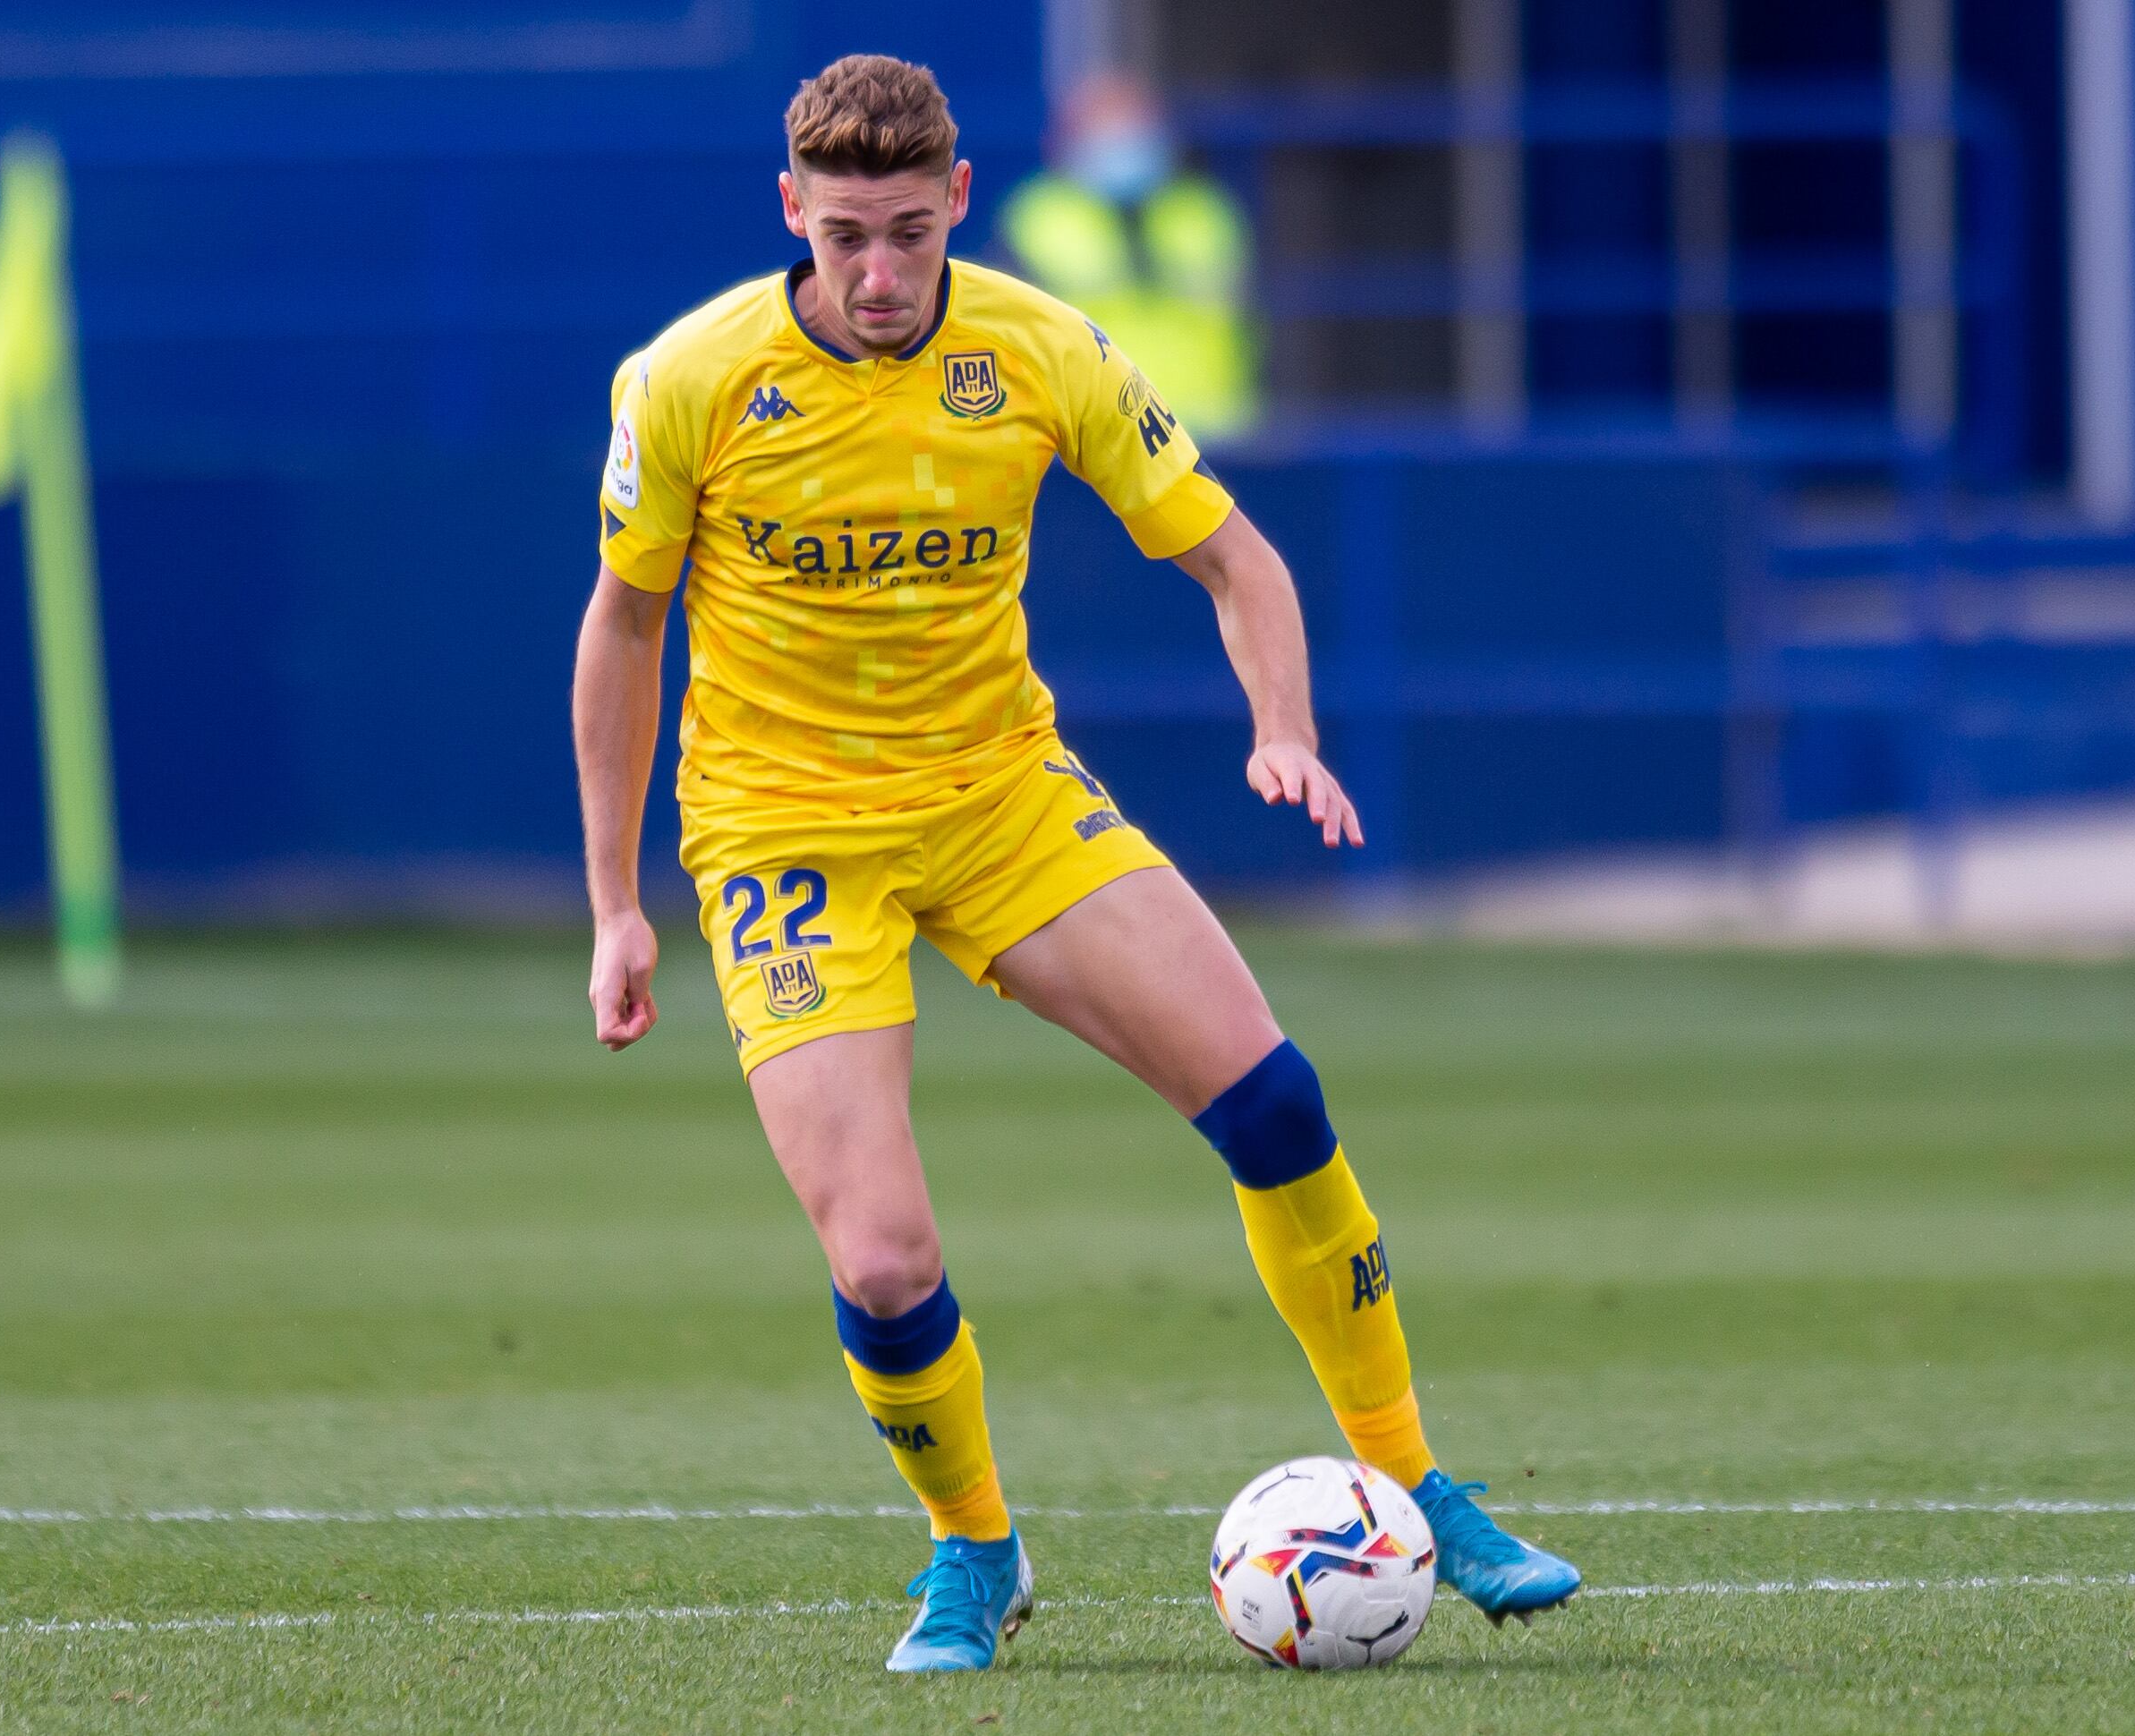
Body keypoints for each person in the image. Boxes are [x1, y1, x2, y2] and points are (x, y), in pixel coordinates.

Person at [571, 54, 1578, 1674]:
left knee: (1276, 1102)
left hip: (1002, 794)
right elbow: (624, 626)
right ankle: (976, 1552)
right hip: (780, 833)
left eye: (909, 230)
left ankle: (1413, 1478)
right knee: (884, 1257)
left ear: (960, 198)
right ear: (791, 215)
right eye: (845, 238)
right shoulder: (690, 379)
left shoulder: (1040, 350)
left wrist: (1285, 728)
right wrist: (620, 904)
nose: (881, 273)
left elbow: (1234, 558)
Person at [1000, 72, 1260, 439]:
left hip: (1212, 433)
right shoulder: (1038, 217)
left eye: (1132, 129)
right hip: (1092, 439)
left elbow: (1245, 313)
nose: (1121, 144)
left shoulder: (1203, 212)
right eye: (1106, 132)